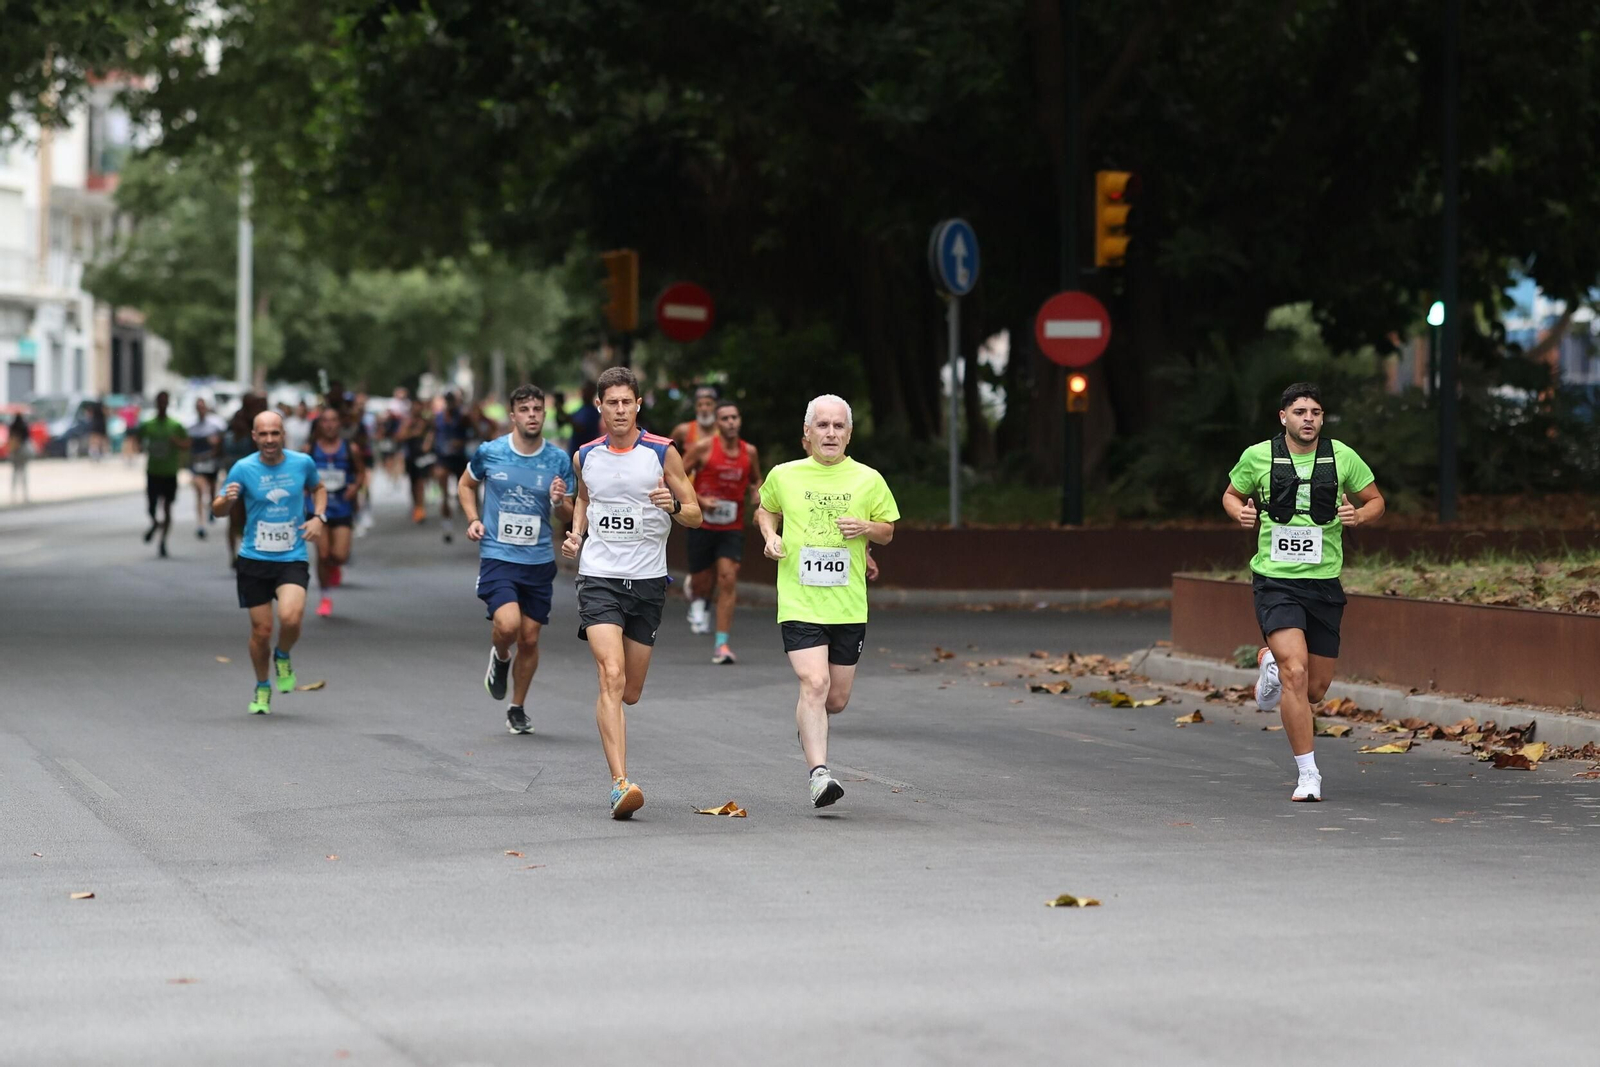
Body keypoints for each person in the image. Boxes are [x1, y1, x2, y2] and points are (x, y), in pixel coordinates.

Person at [1222, 382, 1385, 803]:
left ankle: (1270, 665)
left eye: (1315, 411)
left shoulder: (1341, 456)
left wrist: (1359, 515)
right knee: (1296, 672)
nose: (1308, 418)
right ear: (1284, 417)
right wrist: (1239, 512)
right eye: (1299, 411)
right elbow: (1231, 494)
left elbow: (1375, 500)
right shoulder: (1257, 456)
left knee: (1313, 689)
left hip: (1324, 583)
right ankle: (1308, 774)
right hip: (1275, 580)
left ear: (1322, 418)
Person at [561, 366, 702, 819]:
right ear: (599, 407)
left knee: (631, 691)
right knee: (611, 674)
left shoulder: (662, 453)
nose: (620, 410)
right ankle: (620, 782)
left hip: (647, 583)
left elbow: (697, 514)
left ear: (638, 405)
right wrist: (576, 534)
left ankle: (618, 755)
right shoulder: (586, 455)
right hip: (599, 577)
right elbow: (585, 498)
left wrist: (674, 506)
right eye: (611, 403)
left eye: (627, 402)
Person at [756, 394, 898, 809]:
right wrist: (770, 536)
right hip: (800, 600)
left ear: (849, 434)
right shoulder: (785, 475)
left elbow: (888, 531)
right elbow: (765, 510)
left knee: (834, 699)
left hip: (848, 604)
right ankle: (819, 774)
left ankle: (809, 721)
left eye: (838, 426)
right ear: (807, 433)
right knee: (814, 683)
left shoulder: (869, 479)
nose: (830, 433)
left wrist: (867, 527)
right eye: (823, 425)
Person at [459, 385, 575, 734]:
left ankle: (517, 707)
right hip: (498, 555)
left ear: (544, 413)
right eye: (524, 409)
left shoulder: (557, 460)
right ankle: (500, 655)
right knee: (507, 626)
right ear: (513, 415)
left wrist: (558, 500)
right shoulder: (491, 452)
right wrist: (472, 519)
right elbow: (465, 484)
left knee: (529, 638)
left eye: (537, 409)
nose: (532, 415)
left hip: (538, 559)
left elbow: (570, 511)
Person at [216, 411, 326, 715]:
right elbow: (218, 508)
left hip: (292, 556)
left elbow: (319, 489)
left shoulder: (302, 463)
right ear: (254, 437)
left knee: (291, 618)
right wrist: (227, 501)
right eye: (263, 434)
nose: (269, 440)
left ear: (283, 435)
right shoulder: (243, 468)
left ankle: (283, 654)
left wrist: (319, 517)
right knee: (261, 631)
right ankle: (262, 687)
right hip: (254, 559)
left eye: (274, 434)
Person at [683, 399, 764, 662]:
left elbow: (757, 479)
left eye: (734, 418)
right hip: (702, 523)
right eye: (725, 418)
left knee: (728, 577)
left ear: (739, 421)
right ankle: (696, 591)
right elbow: (676, 477)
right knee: (702, 580)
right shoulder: (703, 448)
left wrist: (757, 493)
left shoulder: (749, 452)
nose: (730, 422)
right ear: (717, 423)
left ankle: (722, 645)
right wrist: (700, 500)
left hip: (732, 526)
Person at [306, 406, 365, 617]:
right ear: (319, 425)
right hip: (318, 509)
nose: (329, 425)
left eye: (333, 420)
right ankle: (325, 596)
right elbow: (300, 475)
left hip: (341, 506)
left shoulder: (351, 449)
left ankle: (335, 566)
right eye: (325, 421)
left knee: (339, 555)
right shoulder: (310, 449)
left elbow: (360, 473)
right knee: (323, 554)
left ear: (339, 424)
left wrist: (355, 487)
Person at [136, 391, 188, 558]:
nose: (162, 405)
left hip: (169, 472)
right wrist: (139, 447)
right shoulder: (148, 424)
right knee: (151, 508)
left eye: (165, 402)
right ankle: (155, 523)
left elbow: (187, 443)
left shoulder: (175, 425)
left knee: (167, 507)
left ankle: (163, 541)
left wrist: (177, 442)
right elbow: (138, 439)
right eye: (160, 402)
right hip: (153, 471)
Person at [434, 392, 475, 543]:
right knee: (444, 494)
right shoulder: (439, 417)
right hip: (443, 457)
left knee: (465, 490)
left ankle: (472, 521)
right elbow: (434, 433)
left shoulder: (463, 415)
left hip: (460, 458)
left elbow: (473, 431)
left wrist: (461, 441)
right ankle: (447, 526)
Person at [188, 398, 228, 540]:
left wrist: (216, 445)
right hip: (197, 463)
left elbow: (223, 439)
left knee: (211, 489)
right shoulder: (190, 425)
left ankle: (212, 507)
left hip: (211, 462)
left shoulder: (216, 423)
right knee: (199, 490)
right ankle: (201, 524)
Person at [401, 399, 437, 523]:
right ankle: (415, 505)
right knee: (413, 483)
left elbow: (432, 433)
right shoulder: (407, 422)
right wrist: (413, 433)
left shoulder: (426, 422)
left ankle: (420, 509)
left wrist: (427, 443)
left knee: (421, 482)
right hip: (410, 456)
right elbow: (399, 436)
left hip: (422, 456)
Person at [670, 385, 719, 457]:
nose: (704, 409)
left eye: (708, 404)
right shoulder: (683, 430)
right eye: (699, 405)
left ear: (715, 406)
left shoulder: (723, 429)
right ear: (695, 408)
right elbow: (666, 453)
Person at [565, 381, 601, 458]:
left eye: (586, 390)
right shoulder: (580, 410)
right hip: (575, 453)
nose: (583, 393)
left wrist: (569, 419)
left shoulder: (593, 412)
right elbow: (563, 421)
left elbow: (580, 428)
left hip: (586, 455)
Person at [8, 411, 30, 503]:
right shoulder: (24, 426)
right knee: (23, 472)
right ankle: (25, 495)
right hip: (23, 451)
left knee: (15, 473)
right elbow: (28, 438)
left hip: (15, 451)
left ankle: (13, 494)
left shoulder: (12, 426)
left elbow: (10, 438)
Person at [88, 397, 110, 462]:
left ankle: (94, 451)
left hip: (95, 422)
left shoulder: (93, 405)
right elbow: (106, 413)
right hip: (100, 423)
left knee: (94, 438)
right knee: (100, 439)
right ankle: (99, 452)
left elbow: (89, 414)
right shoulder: (102, 406)